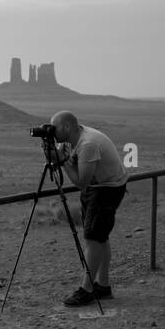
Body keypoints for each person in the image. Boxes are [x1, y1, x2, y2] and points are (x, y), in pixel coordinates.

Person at [47, 111, 128, 307]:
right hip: (98, 187)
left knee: (93, 238)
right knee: (100, 237)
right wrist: (56, 156)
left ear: (67, 127)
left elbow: (81, 183)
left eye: (54, 127)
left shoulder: (88, 143)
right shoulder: (70, 139)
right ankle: (103, 286)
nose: (51, 132)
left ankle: (87, 290)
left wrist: (62, 162)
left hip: (106, 189)